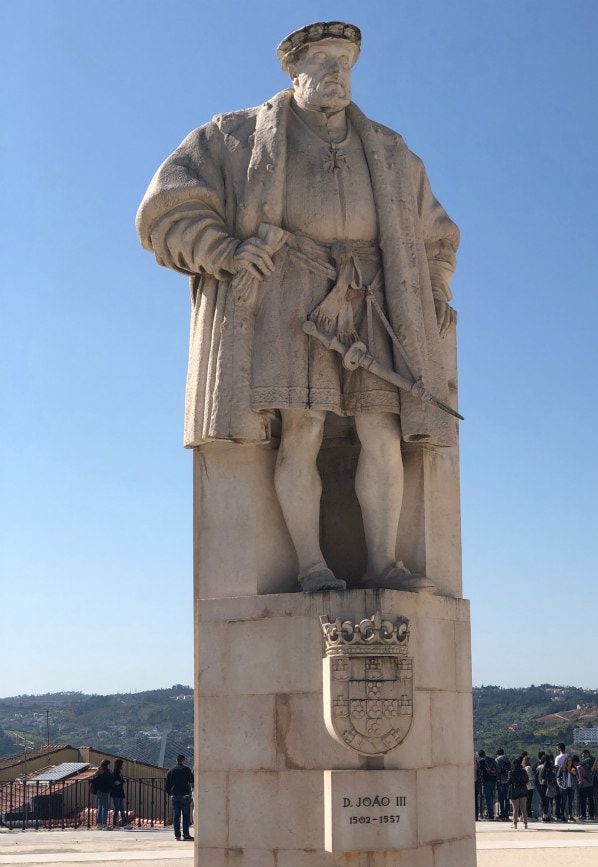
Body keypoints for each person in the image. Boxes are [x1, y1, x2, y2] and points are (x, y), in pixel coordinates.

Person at [136, 21, 459, 594]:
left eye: (347, 61)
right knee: (302, 429)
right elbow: (167, 208)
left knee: (381, 430)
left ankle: (383, 563)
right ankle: (311, 566)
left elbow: (436, 235)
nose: (338, 70)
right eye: (324, 59)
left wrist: (433, 288)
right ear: (293, 69)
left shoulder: (390, 150)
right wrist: (226, 251)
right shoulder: (233, 137)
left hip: (375, 295)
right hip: (289, 290)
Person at [165, 755, 195, 841]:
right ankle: (186, 835)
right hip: (185, 795)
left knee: (176, 816)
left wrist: (171, 794)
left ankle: (177, 835)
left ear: (176, 760)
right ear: (184, 760)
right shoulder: (186, 770)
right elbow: (191, 780)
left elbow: (167, 786)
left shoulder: (170, 771)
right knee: (185, 816)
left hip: (174, 796)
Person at [91, 759, 114, 830]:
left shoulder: (99, 772)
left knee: (100, 807)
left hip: (98, 791)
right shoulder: (105, 773)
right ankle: (104, 824)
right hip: (104, 791)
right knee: (105, 807)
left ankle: (99, 824)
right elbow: (109, 780)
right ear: (107, 765)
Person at [508, 758, 529, 829]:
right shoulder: (523, 771)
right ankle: (525, 824)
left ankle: (515, 824)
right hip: (523, 790)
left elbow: (509, 782)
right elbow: (527, 780)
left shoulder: (511, 772)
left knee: (515, 809)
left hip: (514, 791)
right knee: (524, 808)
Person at [556, 755, 577, 822]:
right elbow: (558, 777)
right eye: (568, 760)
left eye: (570, 760)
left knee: (570, 801)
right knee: (564, 801)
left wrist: (573, 773)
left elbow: (576, 777)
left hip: (571, 786)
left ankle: (570, 815)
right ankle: (562, 815)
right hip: (564, 786)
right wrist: (559, 784)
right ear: (566, 761)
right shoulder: (562, 768)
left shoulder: (573, 768)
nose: (569, 762)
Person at [575, 751, 595, 820]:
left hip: (584, 786)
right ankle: (591, 815)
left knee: (583, 801)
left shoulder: (578, 767)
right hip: (590, 784)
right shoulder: (585, 764)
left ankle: (583, 815)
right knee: (591, 800)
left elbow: (580, 778)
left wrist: (579, 785)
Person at [110, 758, 129, 829]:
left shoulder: (118, 772)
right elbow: (116, 782)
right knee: (116, 809)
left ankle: (125, 823)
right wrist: (121, 782)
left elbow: (119, 782)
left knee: (121, 808)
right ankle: (114, 824)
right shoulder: (115, 772)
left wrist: (120, 782)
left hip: (119, 792)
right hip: (116, 793)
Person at [478, 750, 497, 820]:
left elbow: (479, 771)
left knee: (488, 798)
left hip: (487, 780)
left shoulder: (481, 761)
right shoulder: (492, 759)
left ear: (479, 755)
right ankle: (493, 813)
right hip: (494, 779)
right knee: (493, 797)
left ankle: (490, 815)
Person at [495, 749, 511, 821]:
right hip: (507, 780)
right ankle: (506, 813)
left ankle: (502, 814)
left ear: (497, 754)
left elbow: (497, 770)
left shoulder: (497, 760)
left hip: (500, 780)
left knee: (501, 798)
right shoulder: (507, 759)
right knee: (507, 797)